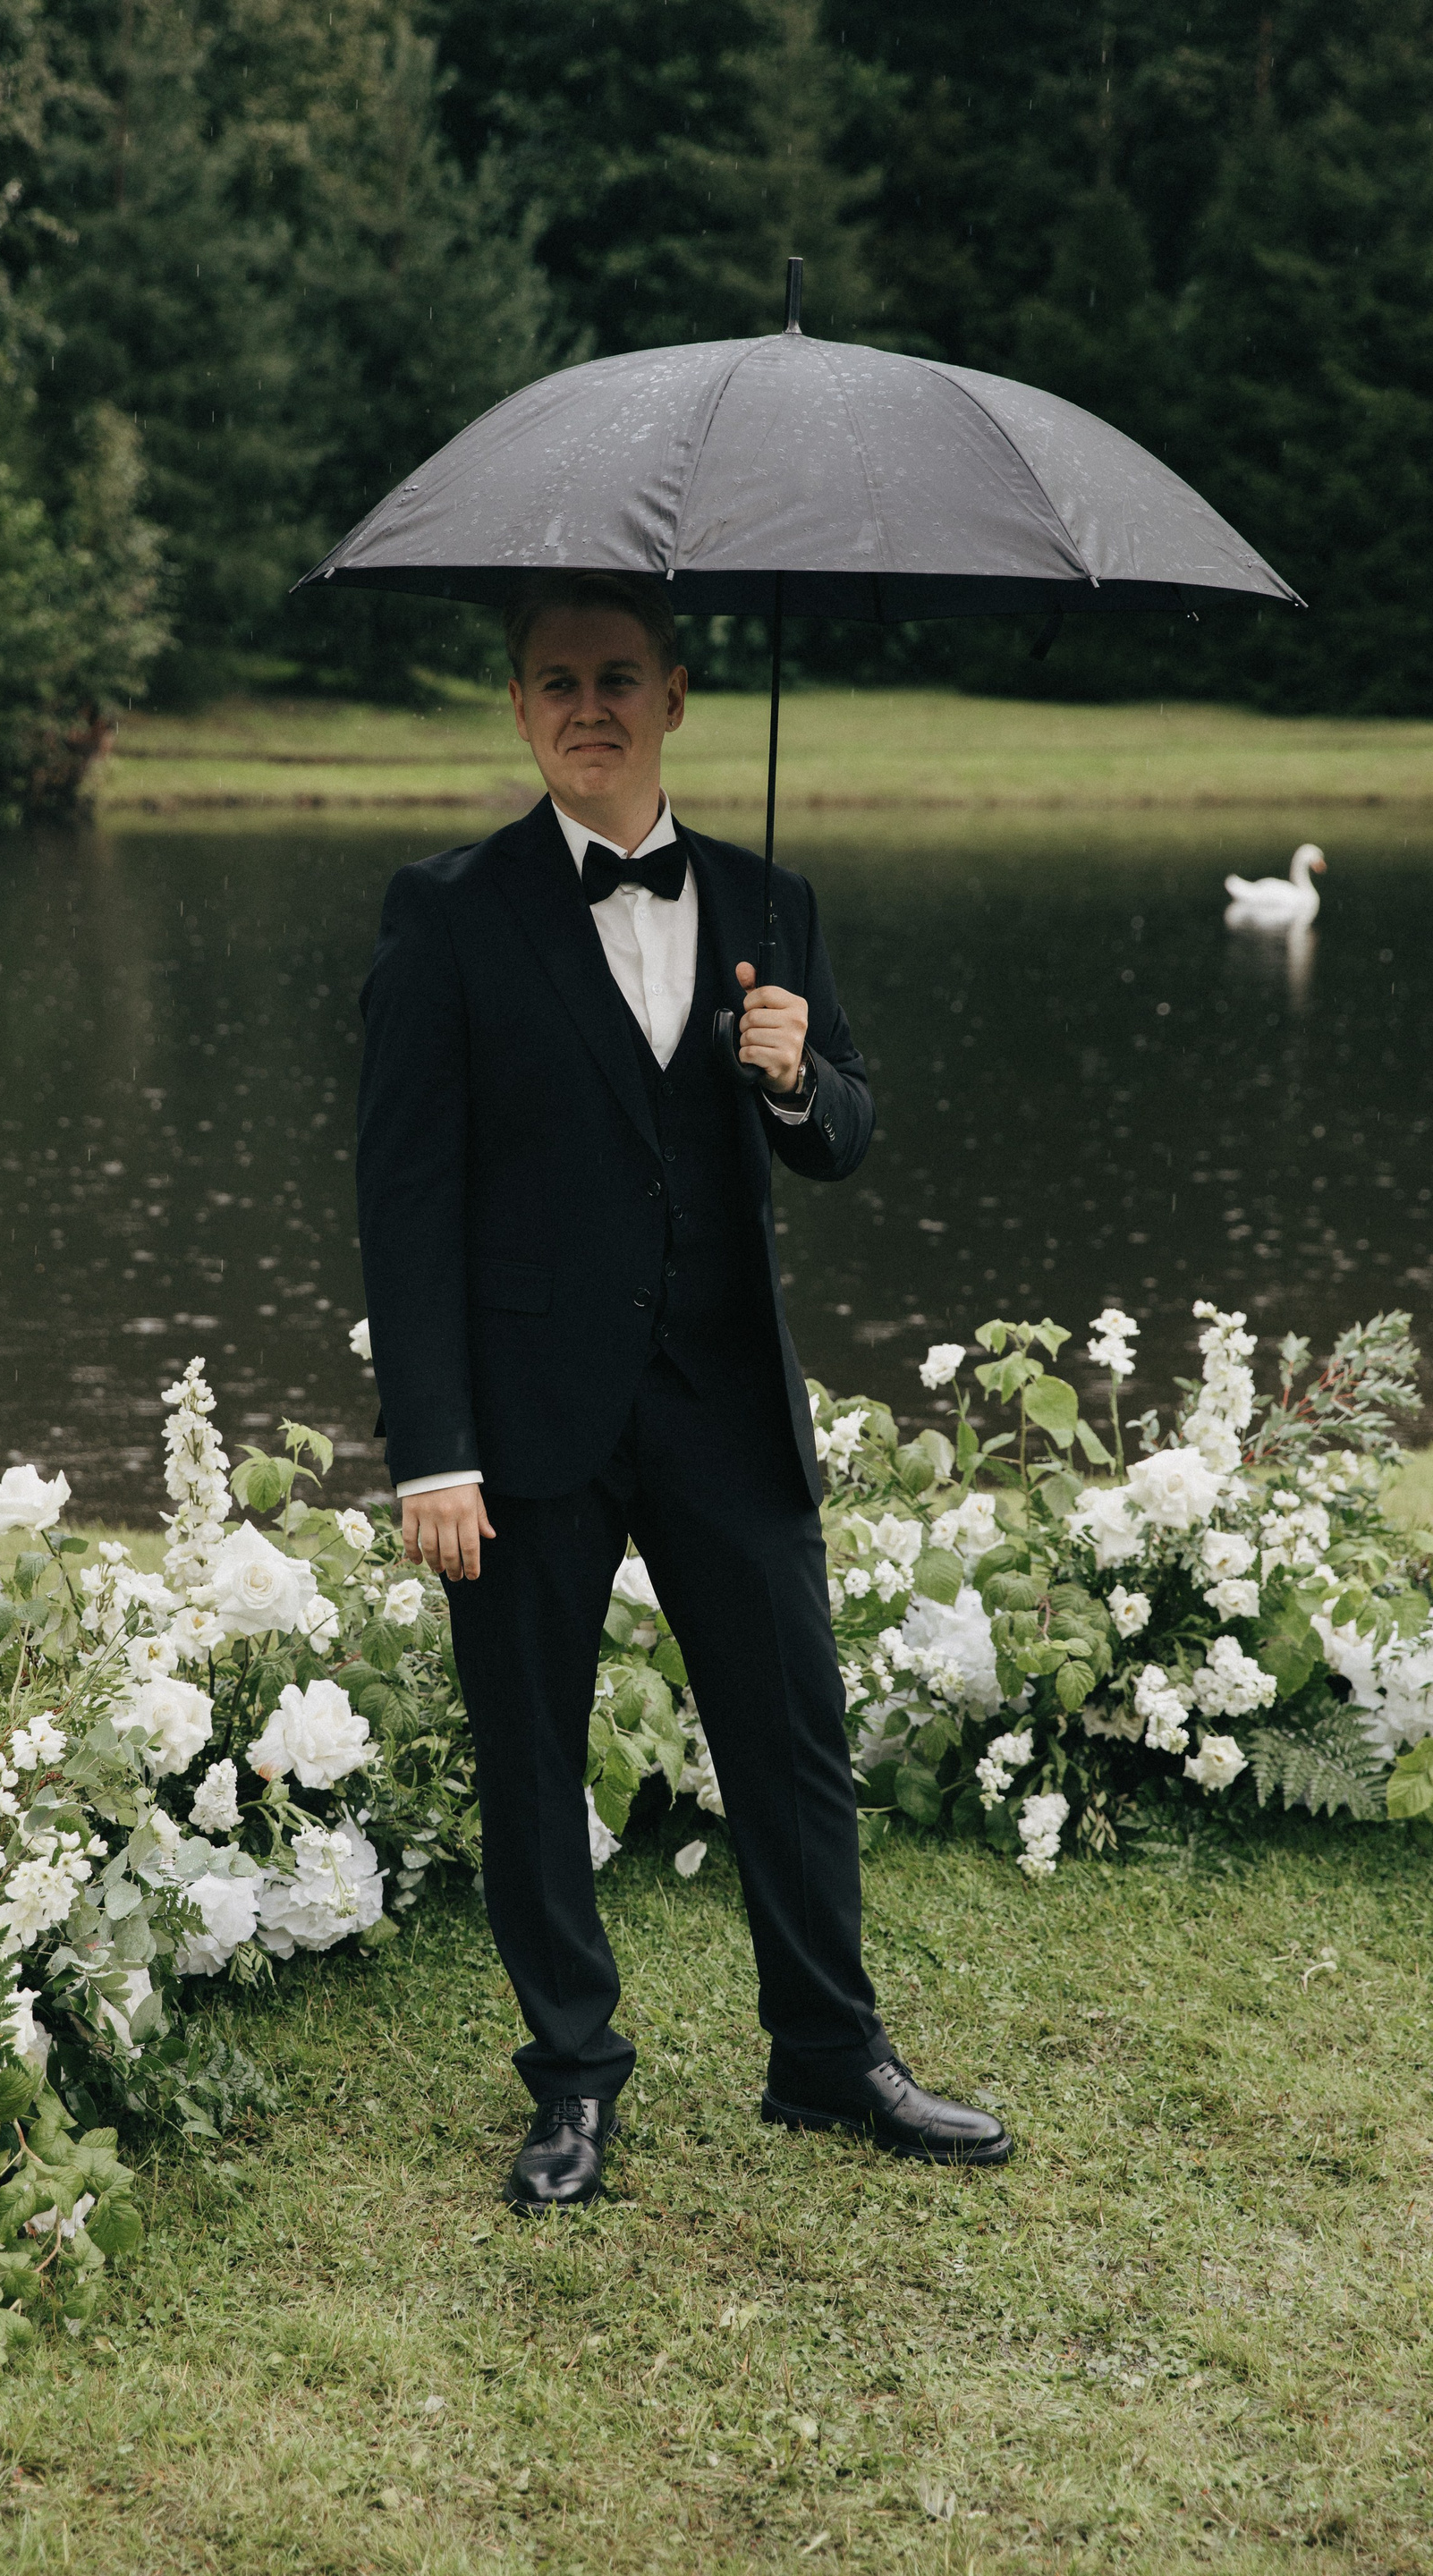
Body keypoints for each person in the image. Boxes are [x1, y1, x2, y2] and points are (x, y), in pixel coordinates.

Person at [356, 570, 1007, 2209]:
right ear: (520, 705)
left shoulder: (771, 899)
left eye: (620, 677)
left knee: (792, 1735)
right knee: (531, 1754)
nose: (590, 707)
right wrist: (433, 1452)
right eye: (558, 680)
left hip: (724, 1400)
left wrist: (794, 1078)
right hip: (526, 1420)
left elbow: (845, 1132)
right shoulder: (445, 912)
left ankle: (829, 2054)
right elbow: (405, 1198)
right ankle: (572, 2078)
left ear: (678, 695)